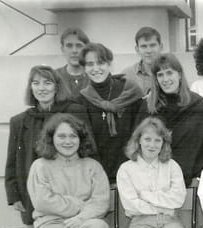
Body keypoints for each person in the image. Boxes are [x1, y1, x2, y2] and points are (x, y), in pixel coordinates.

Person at [5, 65, 90, 228]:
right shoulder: (20, 121)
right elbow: (12, 160)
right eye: (36, 83)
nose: (41, 88)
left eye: (47, 83)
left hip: (68, 192)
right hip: (32, 194)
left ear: (57, 86)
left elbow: (87, 150)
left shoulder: (73, 112)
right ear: (30, 88)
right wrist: (14, 193)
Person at [137, 53, 203, 185]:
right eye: (160, 75)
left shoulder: (196, 104)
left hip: (187, 177)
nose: (165, 79)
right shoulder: (148, 105)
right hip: (152, 178)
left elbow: (194, 146)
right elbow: (139, 143)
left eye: (169, 73)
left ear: (179, 75)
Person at [78, 43, 144, 181]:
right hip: (97, 173)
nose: (96, 68)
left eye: (100, 63)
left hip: (132, 169)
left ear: (109, 64)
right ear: (84, 68)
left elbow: (140, 131)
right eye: (90, 64)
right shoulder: (81, 100)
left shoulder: (130, 90)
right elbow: (85, 141)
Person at [121, 27, 164, 96]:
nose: (149, 51)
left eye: (152, 45)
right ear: (137, 49)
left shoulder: (171, 72)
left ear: (161, 47)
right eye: (144, 46)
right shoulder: (127, 75)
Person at [55, 27, 90, 100]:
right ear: (62, 49)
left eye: (79, 46)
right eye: (69, 46)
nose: (74, 51)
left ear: (86, 49)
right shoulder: (54, 76)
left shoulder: (95, 76)